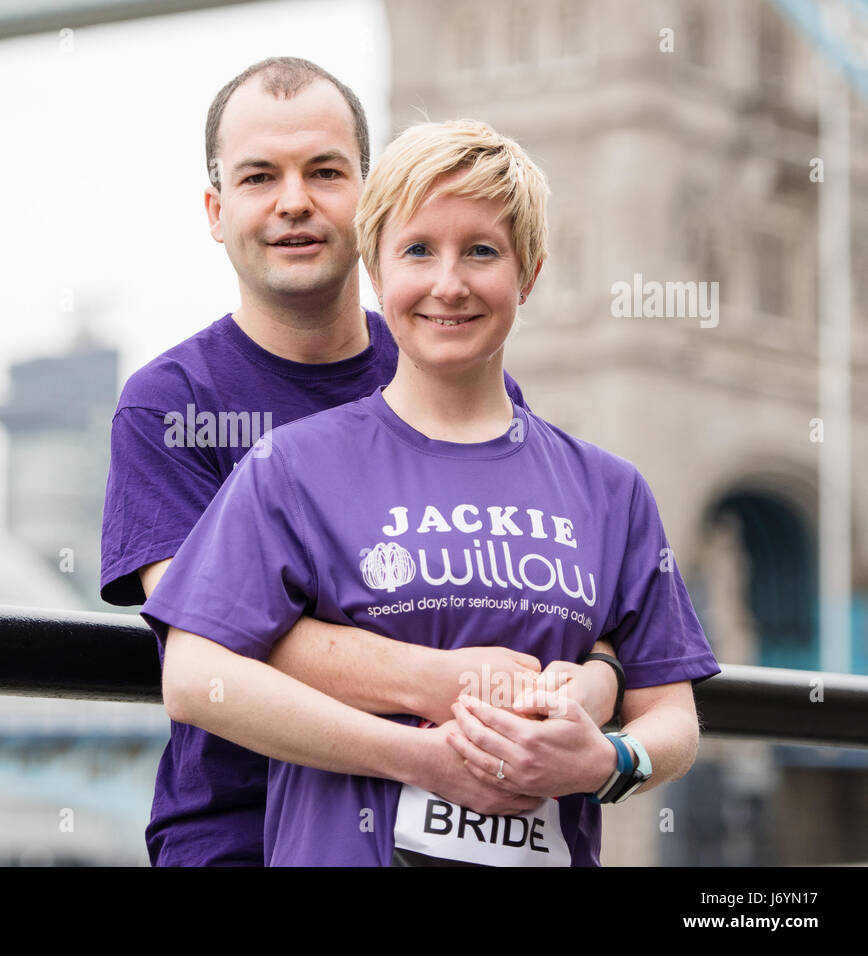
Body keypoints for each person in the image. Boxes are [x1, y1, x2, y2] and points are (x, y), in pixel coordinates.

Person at [145, 118, 720, 866]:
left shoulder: (610, 490)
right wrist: (418, 759)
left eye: (482, 251)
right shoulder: (291, 466)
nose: (449, 283)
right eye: (418, 250)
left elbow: (670, 714)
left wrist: (608, 765)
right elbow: (194, 680)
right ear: (377, 274)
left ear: (530, 273)